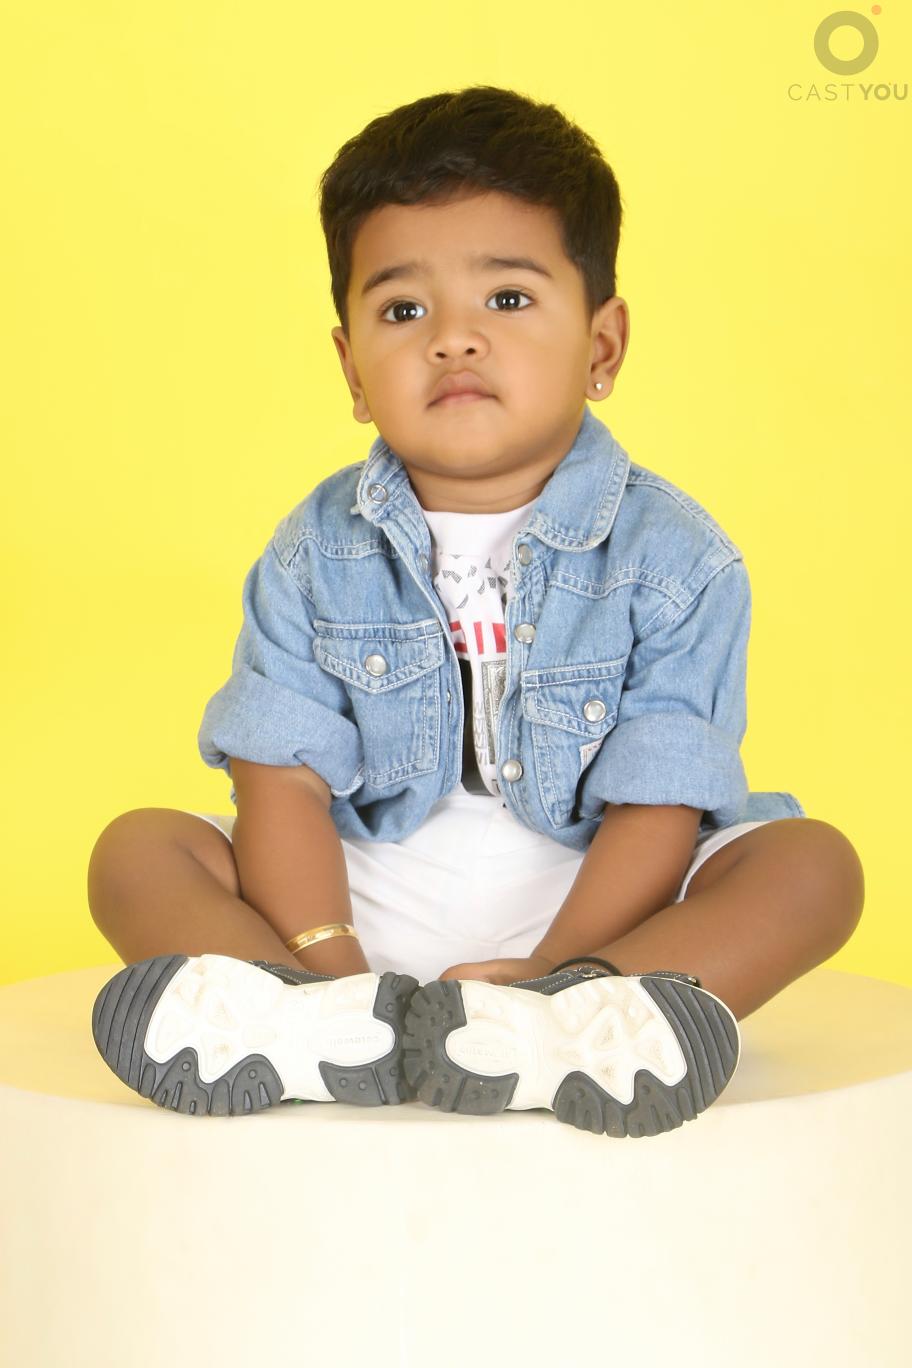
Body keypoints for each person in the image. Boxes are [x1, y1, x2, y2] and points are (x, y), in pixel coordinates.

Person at [87, 85, 865, 1134]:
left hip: (602, 904)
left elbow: (661, 803)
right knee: (137, 850)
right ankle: (308, 1016)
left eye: (506, 298)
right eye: (403, 311)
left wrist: (556, 964)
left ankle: (572, 1017)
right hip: (355, 893)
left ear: (601, 347)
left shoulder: (676, 558)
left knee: (812, 867)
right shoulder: (314, 549)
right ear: (351, 369)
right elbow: (281, 784)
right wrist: (329, 958)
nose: (453, 340)